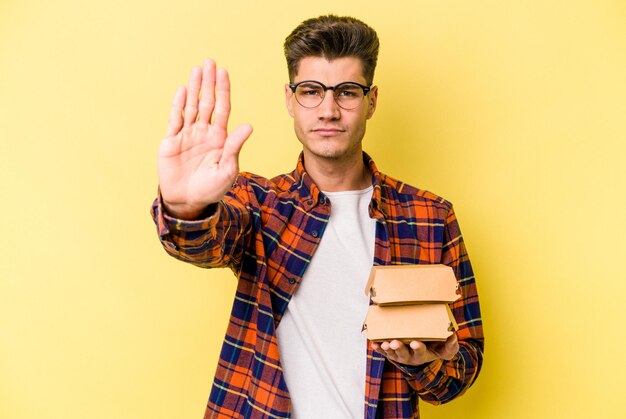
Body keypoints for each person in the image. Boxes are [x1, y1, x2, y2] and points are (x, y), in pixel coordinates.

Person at [151, 14, 484, 419]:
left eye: (346, 92)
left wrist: (424, 365)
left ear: (371, 100)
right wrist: (187, 207)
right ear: (290, 99)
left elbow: (463, 364)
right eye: (311, 91)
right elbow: (204, 242)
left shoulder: (430, 217)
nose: (328, 110)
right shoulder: (258, 202)